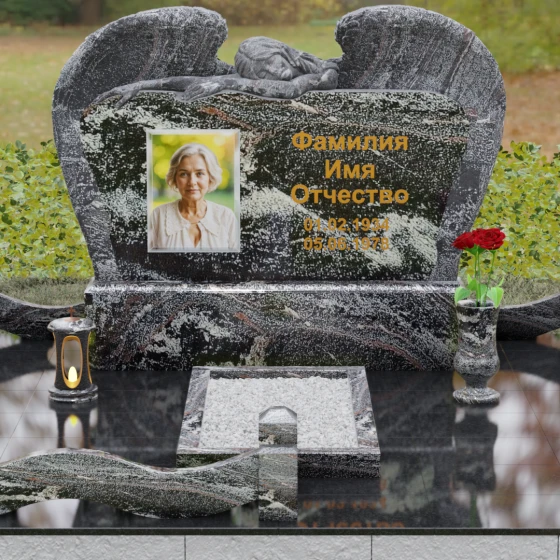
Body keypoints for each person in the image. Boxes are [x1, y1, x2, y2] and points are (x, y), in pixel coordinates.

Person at [94, 37, 339, 107]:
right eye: (264, 73)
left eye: (272, 62)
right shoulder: (254, 77)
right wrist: (141, 85)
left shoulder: (316, 72)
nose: (276, 72)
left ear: (280, 51)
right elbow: (202, 80)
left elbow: (291, 90)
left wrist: (227, 85)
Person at [149, 143, 238, 251]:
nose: (192, 182)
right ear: (175, 179)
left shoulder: (226, 217)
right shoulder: (158, 216)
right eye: (184, 174)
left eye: (199, 173)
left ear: (210, 178)